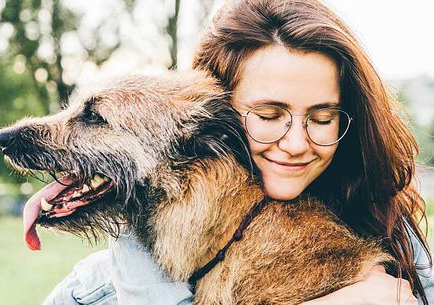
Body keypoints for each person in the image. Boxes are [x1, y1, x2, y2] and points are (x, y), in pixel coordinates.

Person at [42, 0, 433, 304]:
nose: (296, 144)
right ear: (215, 115)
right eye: (268, 114)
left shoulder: (383, 218)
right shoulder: (137, 232)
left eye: (322, 117)